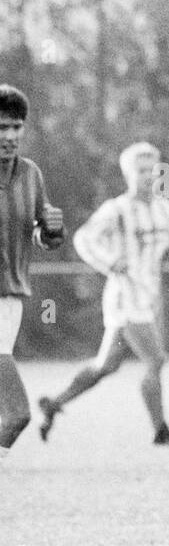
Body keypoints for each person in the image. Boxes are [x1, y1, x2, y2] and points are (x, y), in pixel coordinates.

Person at [38, 142, 169, 445]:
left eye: (153, 170)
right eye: (141, 171)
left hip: (149, 296)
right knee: (156, 360)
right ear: (128, 174)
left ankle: (55, 403)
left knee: (105, 366)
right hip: (126, 297)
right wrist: (109, 262)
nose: (148, 176)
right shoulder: (117, 209)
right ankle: (160, 431)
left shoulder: (165, 209)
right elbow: (83, 239)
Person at [0, 85, 64, 462]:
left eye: (16, 127)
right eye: (2, 127)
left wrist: (52, 232)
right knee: (17, 414)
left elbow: (42, 235)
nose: (10, 136)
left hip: (11, 301)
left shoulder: (29, 174)